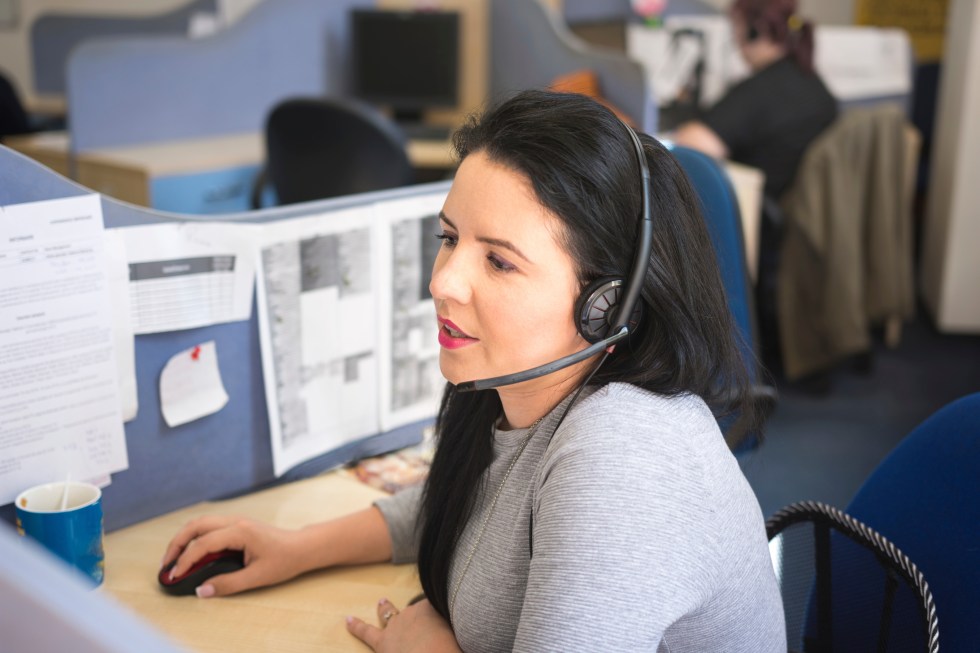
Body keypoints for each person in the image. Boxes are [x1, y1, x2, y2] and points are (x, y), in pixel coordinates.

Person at [161, 90, 786, 652]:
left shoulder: (623, 450)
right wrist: (295, 546)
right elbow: (460, 505)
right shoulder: (513, 380)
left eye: (500, 263)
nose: (443, 282)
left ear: (606, 304)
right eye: (450, 238)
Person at [671, 0, 837, 200]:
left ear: (754, 31)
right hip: (793, 212)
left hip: (756, 215)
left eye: (737, 26)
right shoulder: (813, 84)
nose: (735, 37)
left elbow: (690, 145)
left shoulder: (762, 90)